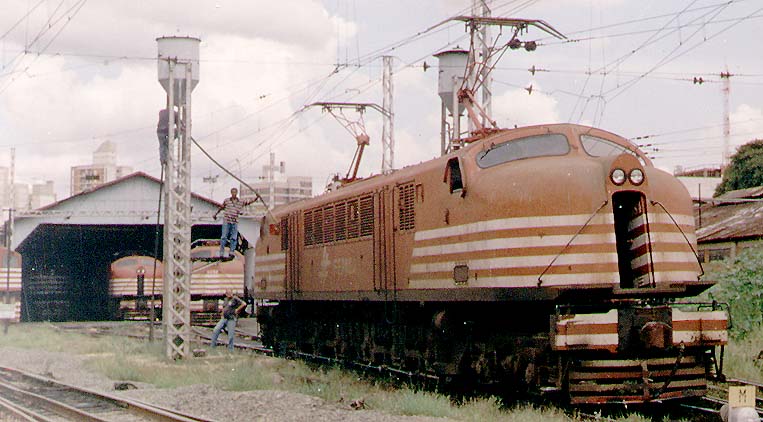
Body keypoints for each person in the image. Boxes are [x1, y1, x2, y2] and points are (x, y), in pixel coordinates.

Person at [214, 188, 254, 258]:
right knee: (224, 237)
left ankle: (231, 251)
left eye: (235, 192)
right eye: (233, 192)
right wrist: (216, 214)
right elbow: (221, 207)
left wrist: (256, 198)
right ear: (231, 193)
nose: (234, 194)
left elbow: (248, 202)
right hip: (227, 220)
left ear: (237, 193)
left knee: (234, 237)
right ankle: (221, 252)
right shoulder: (227, 201)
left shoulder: (240, 201)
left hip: (234, 221)